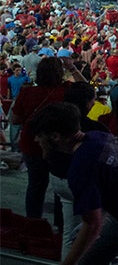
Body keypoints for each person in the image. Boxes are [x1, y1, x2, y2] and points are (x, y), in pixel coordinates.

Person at [30, 102, 118, 265]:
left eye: (40, 135)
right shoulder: (97, 136)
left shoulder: (81, 166)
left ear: (55, 136)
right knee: (90, 256)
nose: (36, 139)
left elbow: (92, 225)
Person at [10, 55, 71, 220]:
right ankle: (61, 226)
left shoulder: (27, 91)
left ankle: (33, 223)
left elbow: (14, 119)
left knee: (36, 185)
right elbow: (89, 87)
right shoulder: (66, 90)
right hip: (59, 146)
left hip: (30, 144)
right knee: (61, 188)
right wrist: (73, 68)